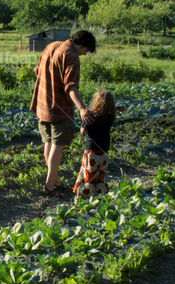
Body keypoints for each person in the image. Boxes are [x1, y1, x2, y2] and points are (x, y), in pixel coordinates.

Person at [29, 29, 96, 196]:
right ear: (82, 46)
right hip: (59, 108)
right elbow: (71, 86)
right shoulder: (71, 56)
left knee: (49, 143)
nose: (84, 54)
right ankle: (49, 186)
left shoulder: (51, 46)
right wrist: (82, 108)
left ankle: (55, 181)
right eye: (86, 51)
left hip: (42, 104)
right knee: (58, 146)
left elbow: (37, 70)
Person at [74, 89, 116, 198]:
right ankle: (100, 195)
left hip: (91, 153)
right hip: (104, 153)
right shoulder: (110, 117)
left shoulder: (91, 116)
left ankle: (83, 197)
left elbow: (83, 132)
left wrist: (83, 124)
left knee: (88, 175)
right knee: (100, 175)